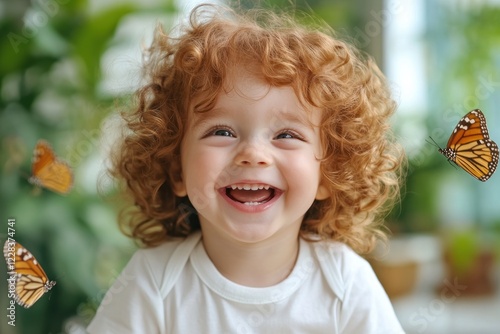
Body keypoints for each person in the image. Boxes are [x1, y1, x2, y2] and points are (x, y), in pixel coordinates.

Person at [87, 3, 405, 333]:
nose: (253, 154)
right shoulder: (153, 281)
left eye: (286, 134)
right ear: (177, 169)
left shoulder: (345, 283)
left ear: (328, 173)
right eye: (221, 132)